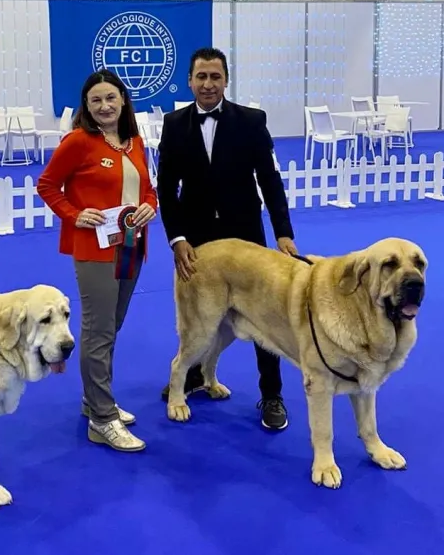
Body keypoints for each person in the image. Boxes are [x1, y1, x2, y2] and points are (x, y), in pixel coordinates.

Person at [156, 47, 298, 431]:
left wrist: (283, 233)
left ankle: (272, 393)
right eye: (200, 76)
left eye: (215, 76)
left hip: (246, 233)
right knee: (198, 318)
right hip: (196, 239)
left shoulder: (252, 121)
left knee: (265, 315)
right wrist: (177, 238)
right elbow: (166, 190)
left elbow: (269, 180)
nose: (207, 84)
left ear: (226, 80)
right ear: (189, 80)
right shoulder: (172, 125)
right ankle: (189, 376)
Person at [37, 69, 158, 452]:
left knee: (112, 325)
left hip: (132, 247)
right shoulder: (77, 142)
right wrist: (74, 214)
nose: (105, 106)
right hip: (94, 251)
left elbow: (149, 190)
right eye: (96, 101)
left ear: (123, 100)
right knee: (98, 330)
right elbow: (46, 185)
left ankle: (94, 401)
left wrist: (149, 209)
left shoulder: (134, 142)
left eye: (111, 98)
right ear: (87, 107)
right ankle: (102, 419)